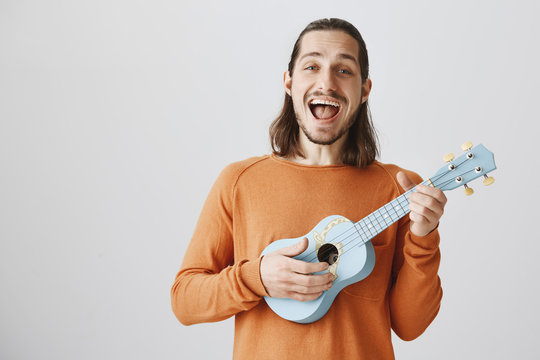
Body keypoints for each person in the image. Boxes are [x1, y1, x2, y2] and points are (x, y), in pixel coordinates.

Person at [171, 18, 447, 359]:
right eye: (311, 66)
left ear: (364, 90)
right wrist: (256, 277)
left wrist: (424, 236)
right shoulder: (239, 181)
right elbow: (184, 300)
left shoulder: (400, 189)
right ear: (289, 82)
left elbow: (411, 325)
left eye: (344, 70)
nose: (326, 83)